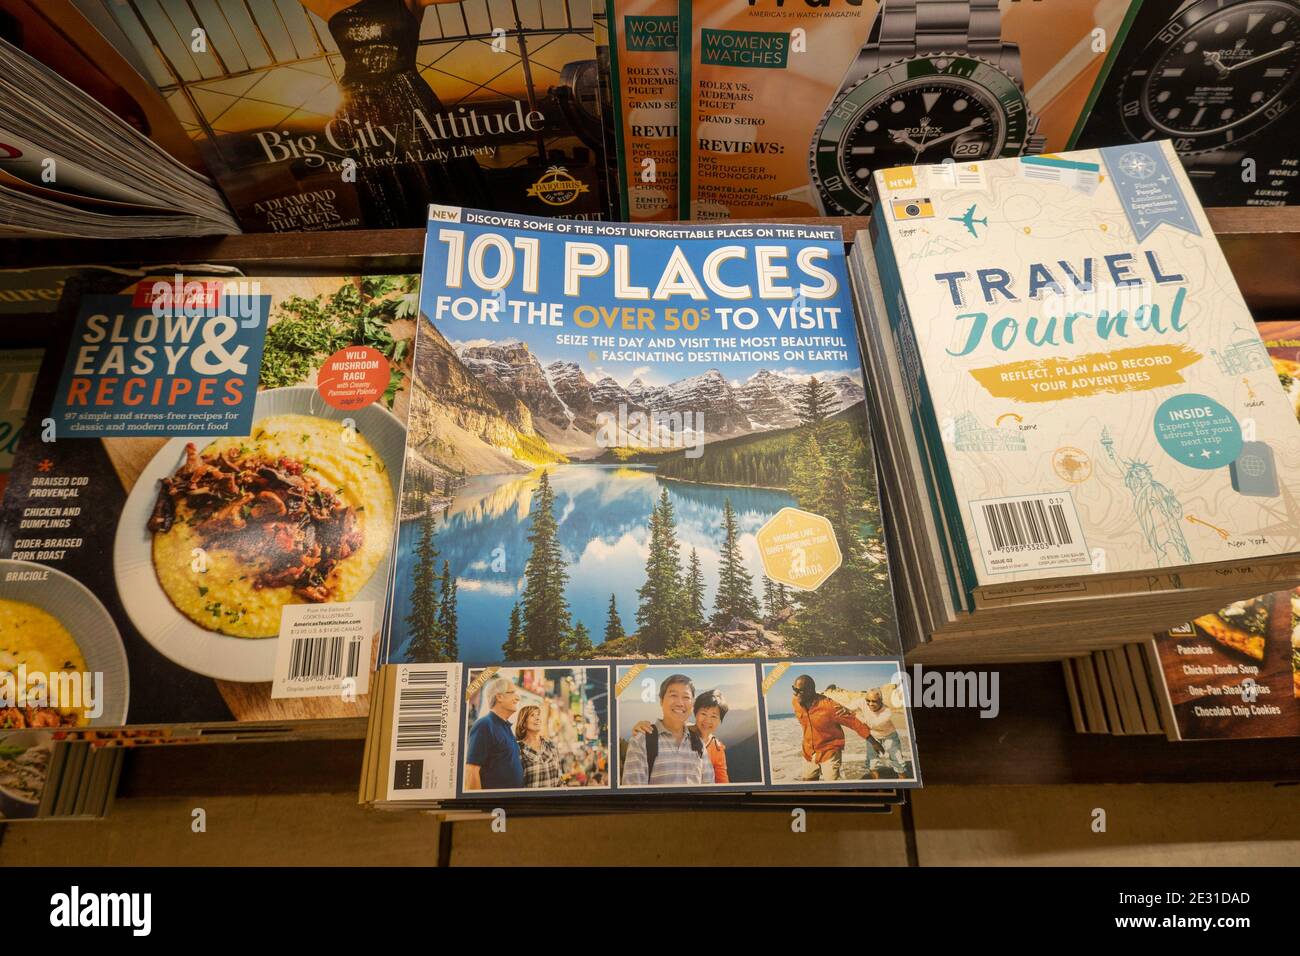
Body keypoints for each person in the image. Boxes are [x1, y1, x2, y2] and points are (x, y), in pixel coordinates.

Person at [298, 0, 490, 227]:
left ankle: (451, 241)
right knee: (380, 180)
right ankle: (399, 246)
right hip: (359, 104)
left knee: (431, 174)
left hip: (407, 98)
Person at [621, 674, 714, 786]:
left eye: (686, 697)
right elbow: (633, 796)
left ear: (692, 704)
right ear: (661, 700)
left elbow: (708, 790)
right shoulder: (641, 741)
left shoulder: (698, 743)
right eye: (673, 695)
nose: (680, 703)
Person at [791, 674, 880, 781]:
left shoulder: (829, 706)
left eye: (800, 691)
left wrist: (873, 741)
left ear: (811, 690)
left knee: (831, 786)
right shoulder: (796, 702)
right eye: (794, 689)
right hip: (808, 751)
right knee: (808, 783)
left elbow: (853, 722)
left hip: (829, 751)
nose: (796, 694)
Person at [631, 687, 730, 783]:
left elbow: (722, 784)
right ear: (695, 713)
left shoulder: (717, 749)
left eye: (714, 716)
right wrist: (640, 728)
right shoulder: (680, 730)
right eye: (703, 714)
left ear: (720, 720)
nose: (708, 720)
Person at [464, 677, 523, 790]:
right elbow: (471, 771)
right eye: (512, 693)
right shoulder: (484, 725)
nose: (518, 698)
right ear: (499, 697)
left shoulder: (506, 727)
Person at [854, 688, 912, 779]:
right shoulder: (862, 702)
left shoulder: (887, 712)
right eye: (868, 700)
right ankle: (877, 784)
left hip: (889, 736)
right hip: (872, 736)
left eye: (874, 701)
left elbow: (873, 724)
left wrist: (855, 715)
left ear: (881, 700)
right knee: (872, 762)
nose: (870, 704)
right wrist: (845, 710)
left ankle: (903, 782)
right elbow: (846, 707)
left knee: (898, 760)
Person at [515, 704, 563, 789]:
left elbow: (559, 780)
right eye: (532, 715)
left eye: (538, 715)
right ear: (523, 723)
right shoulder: (518, 749)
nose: (537, 718)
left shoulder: (551, 745)